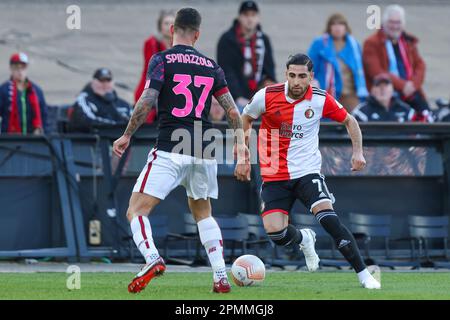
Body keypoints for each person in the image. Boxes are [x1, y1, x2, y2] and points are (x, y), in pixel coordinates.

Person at [113, 8, 250, 294]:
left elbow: (147, 100)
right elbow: (232, 111)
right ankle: (221, 276)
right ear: (197, 34)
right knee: (203, 212)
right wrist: (241, 147)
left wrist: (127, 134)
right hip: (204, 145)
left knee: (136, 210)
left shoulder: (161, 59)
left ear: (172, 29)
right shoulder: (211, 65)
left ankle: (152, 258)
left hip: (171, 144)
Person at [241, 53, 381, 289]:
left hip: (307, 172)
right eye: (292, 75)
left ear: (311, 77)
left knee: (329, 219)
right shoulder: (266, 96)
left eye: (302, 76)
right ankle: (305, 238)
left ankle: (364, 274)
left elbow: (350, 121)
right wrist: (244, 153)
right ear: (286, 74)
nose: (296, 81)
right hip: (274, 174)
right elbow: (245, 118)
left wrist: (358, 152)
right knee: (276, 233)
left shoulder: (320, 99)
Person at [363, 5, 431, 120]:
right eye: (391, 22)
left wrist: (412, 85)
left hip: (411, 92)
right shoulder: (372, 43)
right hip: (387, 93)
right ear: (384, 23)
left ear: (403, 24)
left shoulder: (407, 41)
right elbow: (376, 71)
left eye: (398, 22)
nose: (395, 26)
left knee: (428, 119)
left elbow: (420, 65)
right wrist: (403, 86)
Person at [217, 1, 276, 112]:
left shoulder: (264, 40)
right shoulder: (227, 40)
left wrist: (269, 83)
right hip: (234, 100)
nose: (250, 19)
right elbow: (226, 72)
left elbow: (269, 69)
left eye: (253, 15)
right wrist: (238, 97)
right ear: (239, 17)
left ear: (258, 18)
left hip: (258, 97)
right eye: (246, 15)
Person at [308, 13, 368, 112]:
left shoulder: (354, 45)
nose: (337, 27)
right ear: (329, 27)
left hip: (350, 94)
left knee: (357, 119)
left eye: (340, 24)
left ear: (345, 27)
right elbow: (309, 67)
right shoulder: (319, 44)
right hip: (327, 93)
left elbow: (361, 70)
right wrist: (313, 81)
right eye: (334, 24)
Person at [134, 10, 175, 124]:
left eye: (172, 23)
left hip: (169, 90)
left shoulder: (178, 45)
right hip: (150, 88)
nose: (169, 27)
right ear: (160, 26)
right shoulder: (152, 43)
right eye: (166, 23)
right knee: (147, 124)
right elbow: (152, 67)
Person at [69, 68, 131, 132]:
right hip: (92, 138)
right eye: (101, 81)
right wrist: (117, 125)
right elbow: (88, 121)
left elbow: (134, 121)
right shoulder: (83, 100)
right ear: (93, 82)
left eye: (108, 81)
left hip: (120, 138)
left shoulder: (123, 104)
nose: (105, 84)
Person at [0, 52, 48, 135]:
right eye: (16, 68)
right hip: (9, 140)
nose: (20, 71)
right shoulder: (4, 90)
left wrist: (42, 131)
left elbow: (44, 115)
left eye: (23, 68)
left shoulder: (36, 91)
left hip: (32, 140)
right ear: (11, 69)